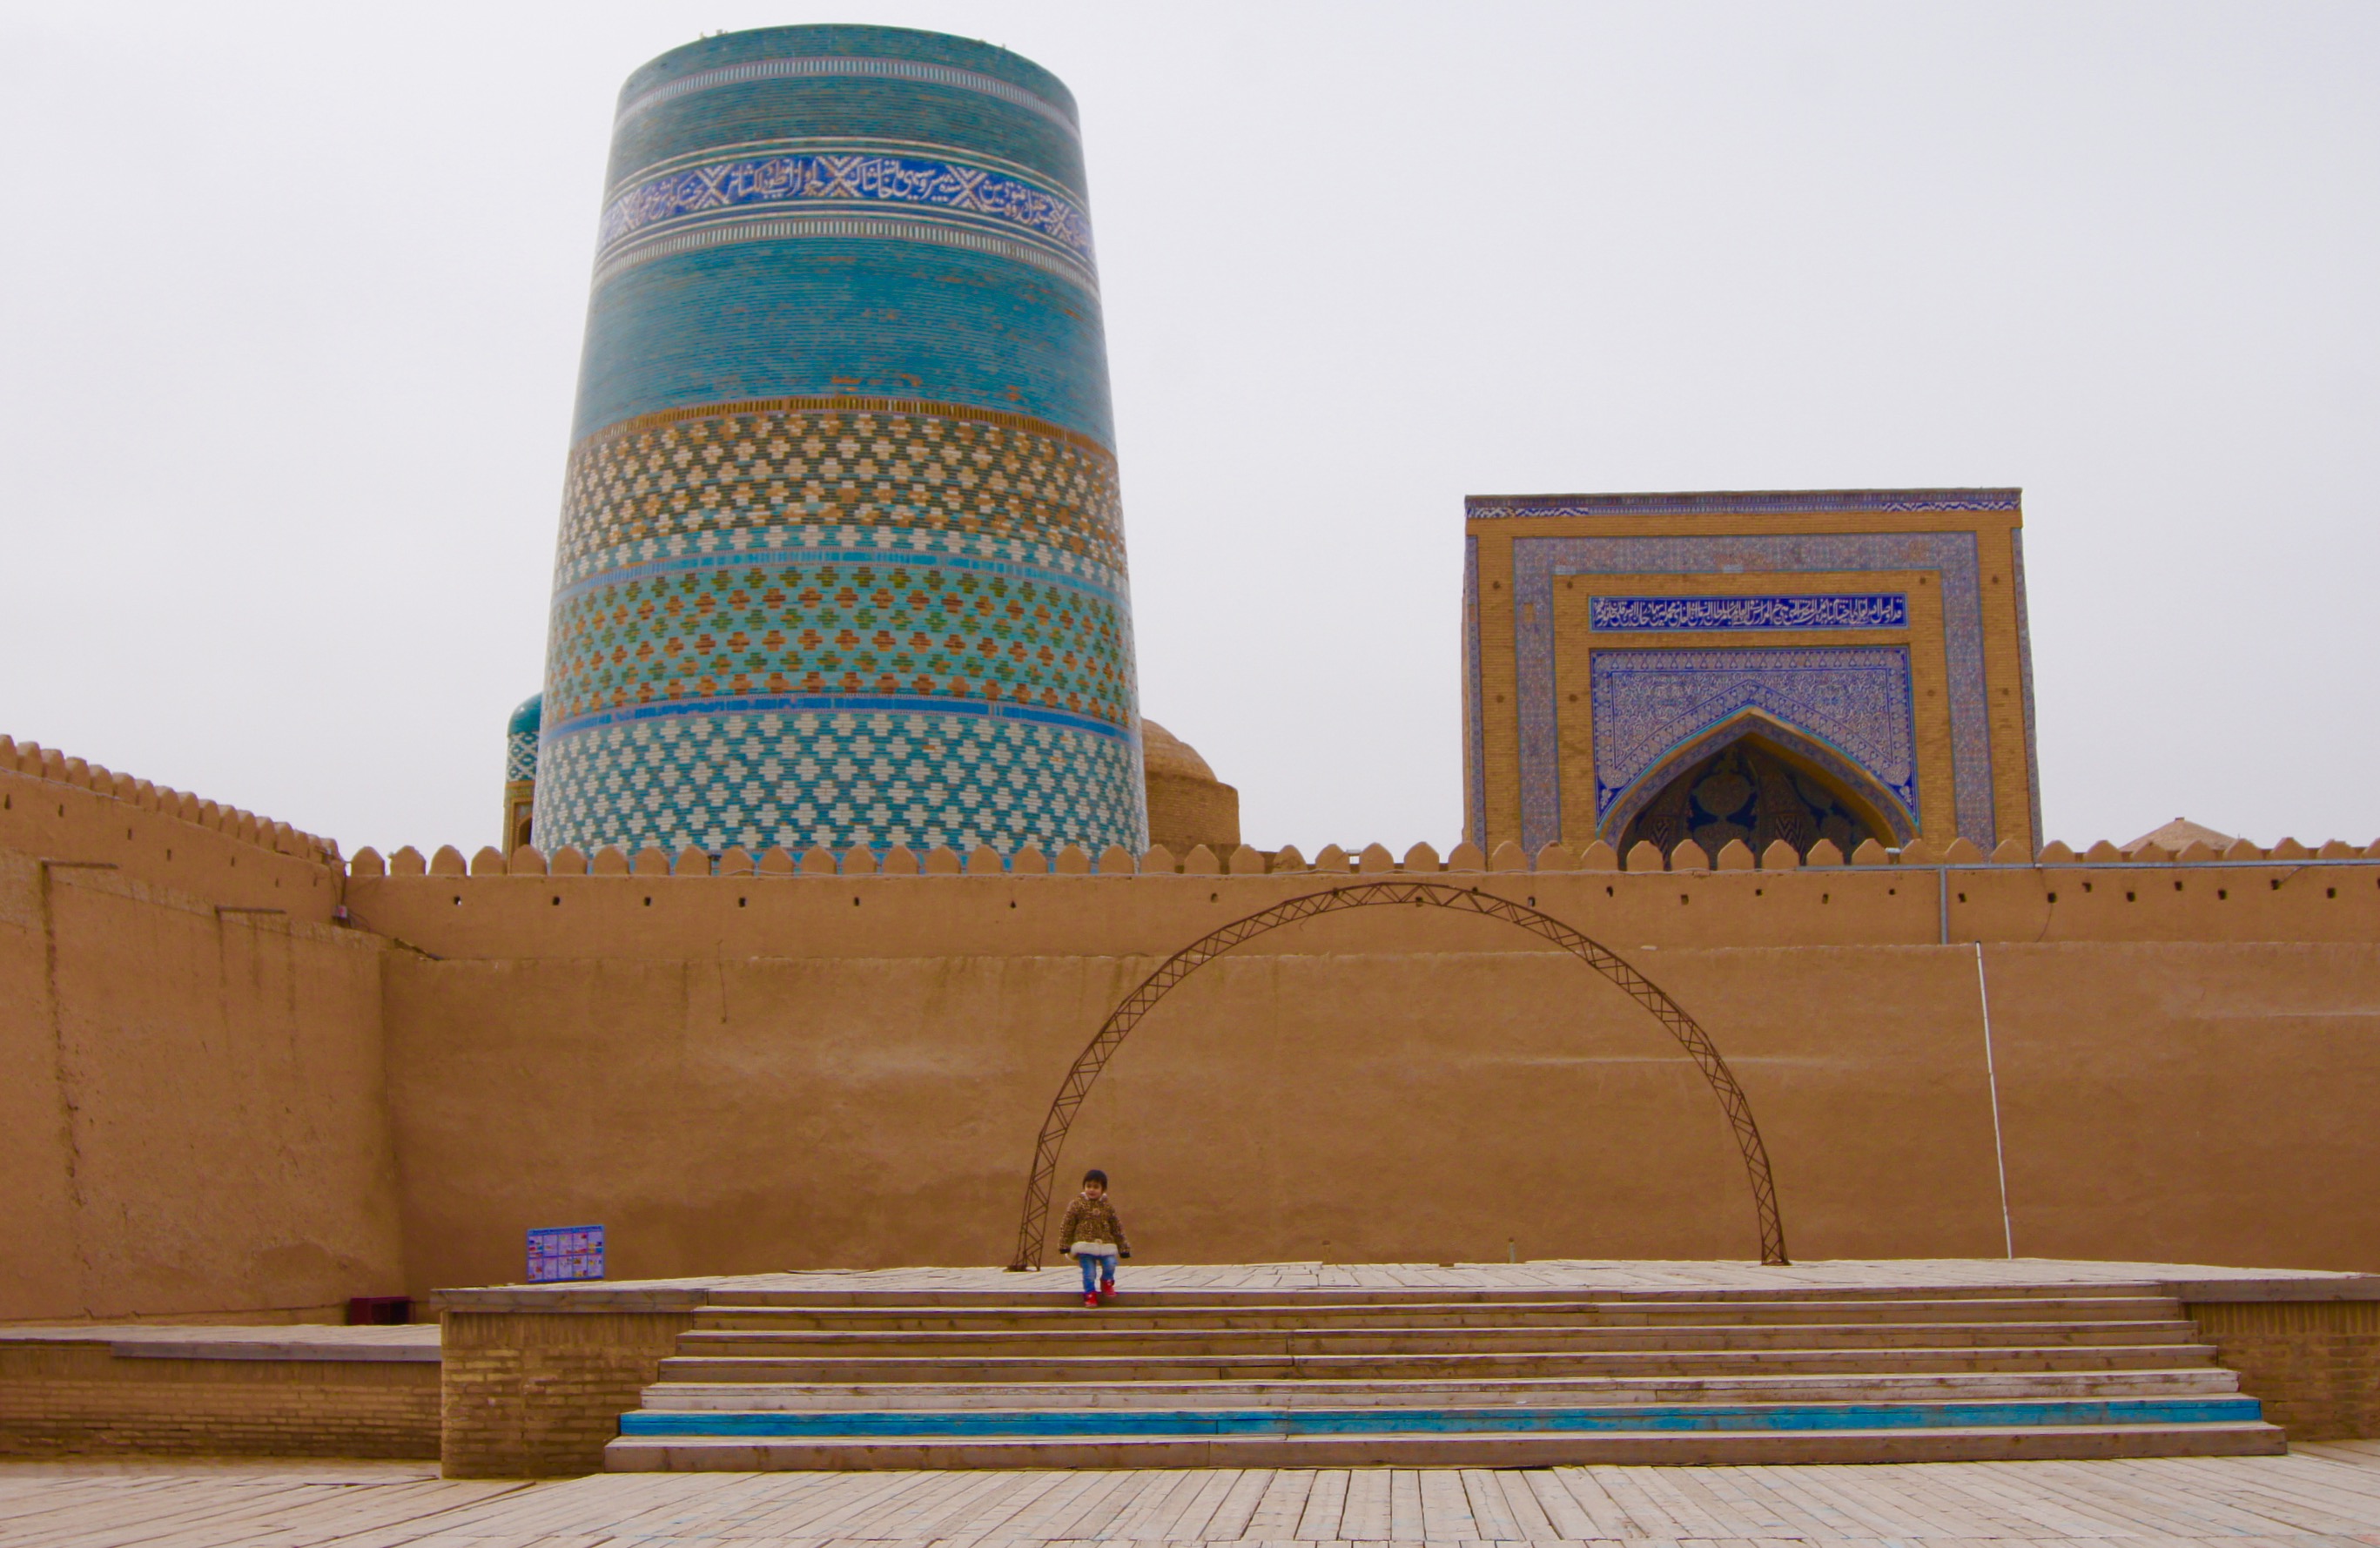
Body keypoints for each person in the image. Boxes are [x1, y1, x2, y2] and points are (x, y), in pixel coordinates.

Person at [1056, 1168, 1130, 1306]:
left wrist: (1123, 1247)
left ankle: (1107, 1281)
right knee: (1089, 1272)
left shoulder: (1107, 1206)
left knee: (1110, 1264)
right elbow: (1067, 1225)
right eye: (1088, 1186)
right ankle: (1090, 1294)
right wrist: (1064, 1245)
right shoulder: (1077, 1204)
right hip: (1085, 1245)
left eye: (1096, 1187)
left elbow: (1117, 1227)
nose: (1091, 1190)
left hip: (1105, 1245)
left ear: (1103, 1189)